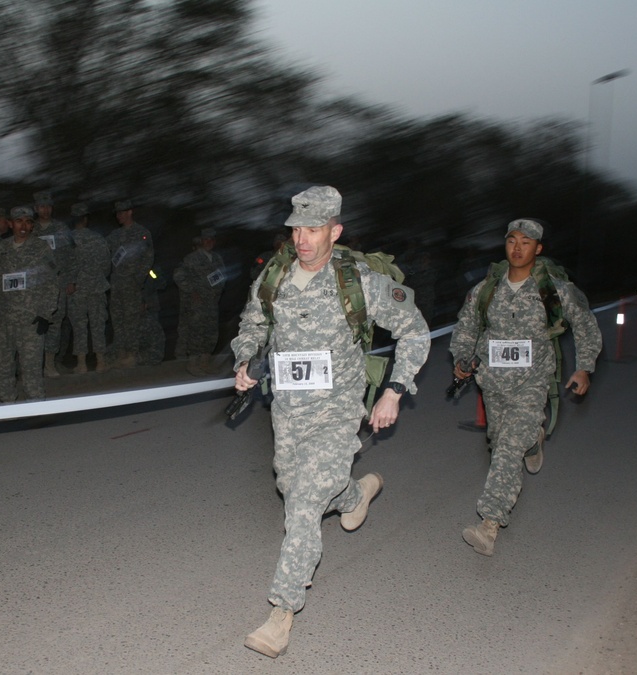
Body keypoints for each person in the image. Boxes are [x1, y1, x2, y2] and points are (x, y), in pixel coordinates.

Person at [231, 186, 430, 658]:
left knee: (301, 505)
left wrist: (394, 391)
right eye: (296, 228)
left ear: (334, 231)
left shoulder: (358, 281)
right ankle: (354, 493)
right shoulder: (274, 277)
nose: (302, 238)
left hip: (338, 409)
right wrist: (244, 361)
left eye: (313, 229)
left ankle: (281, 613)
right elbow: (252, 327)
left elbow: (415, 331)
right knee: (292, 485)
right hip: (287, 410)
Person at [450, 218, 602, 557]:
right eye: (512, 241)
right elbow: (466, 328)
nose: (517, 248)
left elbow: (586, 325)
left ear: (538, 248)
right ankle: (533, 442)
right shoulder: (486, 289)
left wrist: (584, 367)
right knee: (498, 441)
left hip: (532, 382)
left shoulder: (554, 290)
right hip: (491, 381)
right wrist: (462, 358)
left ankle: (489, 524)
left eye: (526, 242)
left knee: (506, 450)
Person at [0, 206, 59, 402]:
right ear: (11, 224)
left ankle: (35, 404)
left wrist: (46, 314)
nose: (23, 226)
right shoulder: (3, 248)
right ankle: (8, 404)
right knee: (3, 365)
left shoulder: (41, 248)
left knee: (31, 366)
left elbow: (52, 283)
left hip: (31, 318)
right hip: (6, 318)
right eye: (19, 221)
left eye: (28, 222)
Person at [106, 199, 154, 368]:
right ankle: (121, 354)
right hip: (116, 285)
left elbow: (148, 260)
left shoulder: (142, 233)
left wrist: (138, 280)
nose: (119, 216)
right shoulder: (114, 236)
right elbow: (108, 261)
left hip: (133, 285)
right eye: (117, 213)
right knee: (117, 320)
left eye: (122, 212)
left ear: (130, 212)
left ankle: (132, 355)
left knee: (132, 320)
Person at [65, 202, 111, 373]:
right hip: (97, 287)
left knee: (79, 326)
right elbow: (107, 265)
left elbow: (64, 265)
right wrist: (98, 278)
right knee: (98, 325)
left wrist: (71, 281)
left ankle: (82, 363)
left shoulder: (68, 239)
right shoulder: (99, 239)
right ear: (85, 219)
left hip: (76, 289)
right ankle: (101, 362)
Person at [33, 190, 75, 377]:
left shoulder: (61, 229)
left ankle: (49, 363)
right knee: (33, 325)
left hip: (58, 284)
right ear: (36, 208)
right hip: (35, 286)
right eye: (42, 206)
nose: (46, 210)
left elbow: (71, 256)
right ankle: (33, 364)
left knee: (56, 324)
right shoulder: (30, 229)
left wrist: (70, 280)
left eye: (48, 206)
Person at [173, 228, 226, 375]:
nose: (208, 242)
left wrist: (217, 294)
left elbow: (221, 278)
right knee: (196, 332)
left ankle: (204, 363)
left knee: (210, 333)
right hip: (196, 304)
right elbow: (178, 275)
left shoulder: (217, 259)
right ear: (201, 241)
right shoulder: (192, 258)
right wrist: (191, 291)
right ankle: (193, 364)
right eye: (206, 239)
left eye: (211, 239)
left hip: (211, 303)